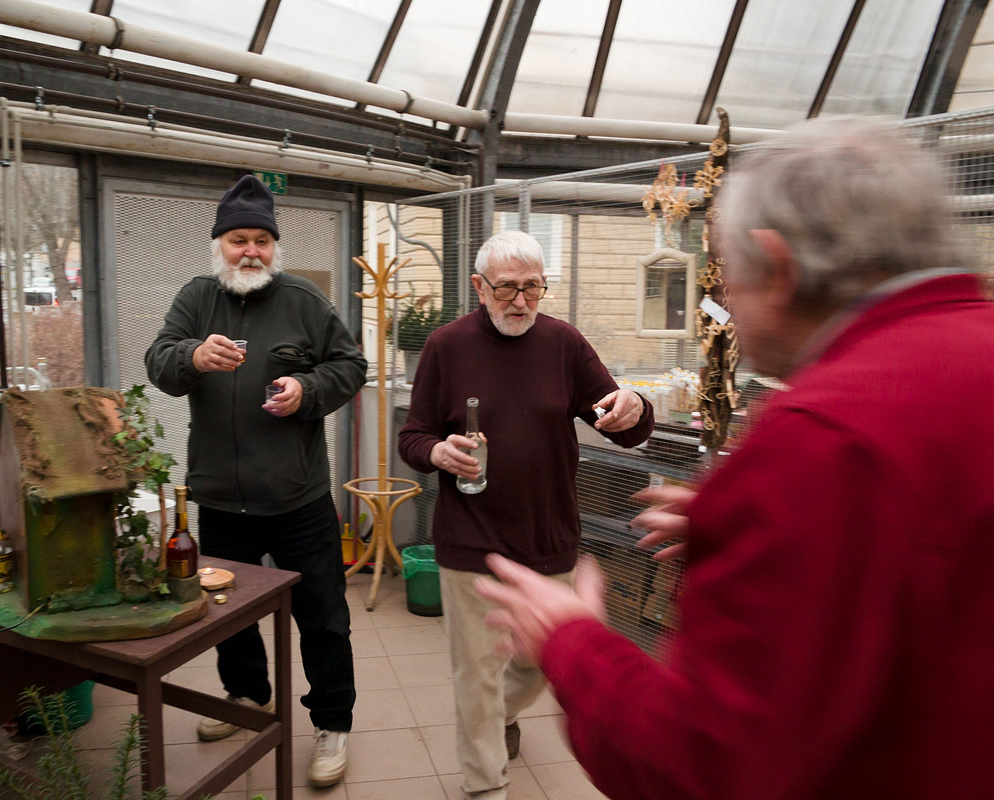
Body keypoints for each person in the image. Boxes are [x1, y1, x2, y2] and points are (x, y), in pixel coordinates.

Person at [475, 117, 994, 800]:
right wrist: (761, 521)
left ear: (776, 268)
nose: (724, 308)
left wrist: (571, 641)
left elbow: (704, 765)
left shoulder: (820, 436)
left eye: (728, 280)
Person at [397, 230, 654, 800]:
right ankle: (485, 784)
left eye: (532, 288)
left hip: (547, 534)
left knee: (542, 661)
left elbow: (623, 424)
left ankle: (501, 714)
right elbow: (412, 435)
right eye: (506, 288)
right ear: (478, 287)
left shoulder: (564, 344)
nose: (520, 301)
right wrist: (437, 452)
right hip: (470, 538)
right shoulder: (446, 346)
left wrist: (635, 407)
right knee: (476, 674)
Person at [145, 175, 366, 787]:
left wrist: (307, 389)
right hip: (220, 498)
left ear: (275, 246)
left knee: (323, 619)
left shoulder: (302, 300)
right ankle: (246, 699)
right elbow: (158, 361)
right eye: (239, 239)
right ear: (219, 244)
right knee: (228, 615)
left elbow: (351, 365)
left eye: (261, 240)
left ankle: (332, 723)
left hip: (298, 499)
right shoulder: (196, 298)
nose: (250, 251)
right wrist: (193, 357)